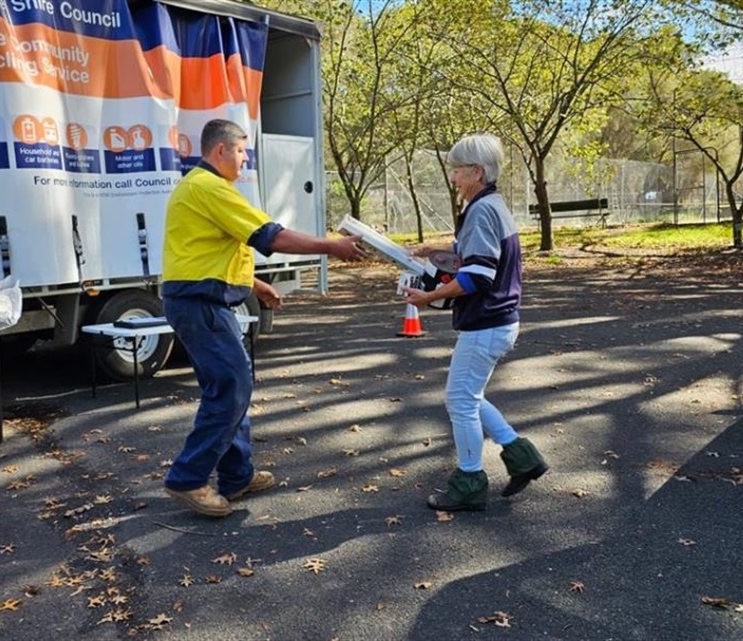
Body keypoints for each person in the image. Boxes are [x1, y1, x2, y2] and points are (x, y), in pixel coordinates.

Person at [161, 118, 366, 517]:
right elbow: (272, 236)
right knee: (232, 386)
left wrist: (256, 286)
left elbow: (212, 253)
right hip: (200, 303)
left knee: (232, 387)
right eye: (240, 151)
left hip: (205, 300)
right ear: (220, 150)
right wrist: (332, 246)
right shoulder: (209, 187)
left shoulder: (202, 188)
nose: (244, 160)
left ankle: (237, 476)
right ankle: (188, 478)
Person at [401, 133, 547, 512]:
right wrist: (433, 250)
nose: (454, 178)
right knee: (471, 396)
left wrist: (427, 297)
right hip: (496, 320)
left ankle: (469, 482)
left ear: (477, 172)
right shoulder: (490, 204)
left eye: (458, 171)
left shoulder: (481, 209)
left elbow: (477, 275)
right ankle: (523, 458)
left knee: (459, 400)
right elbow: (474, 252)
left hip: (487, 322)